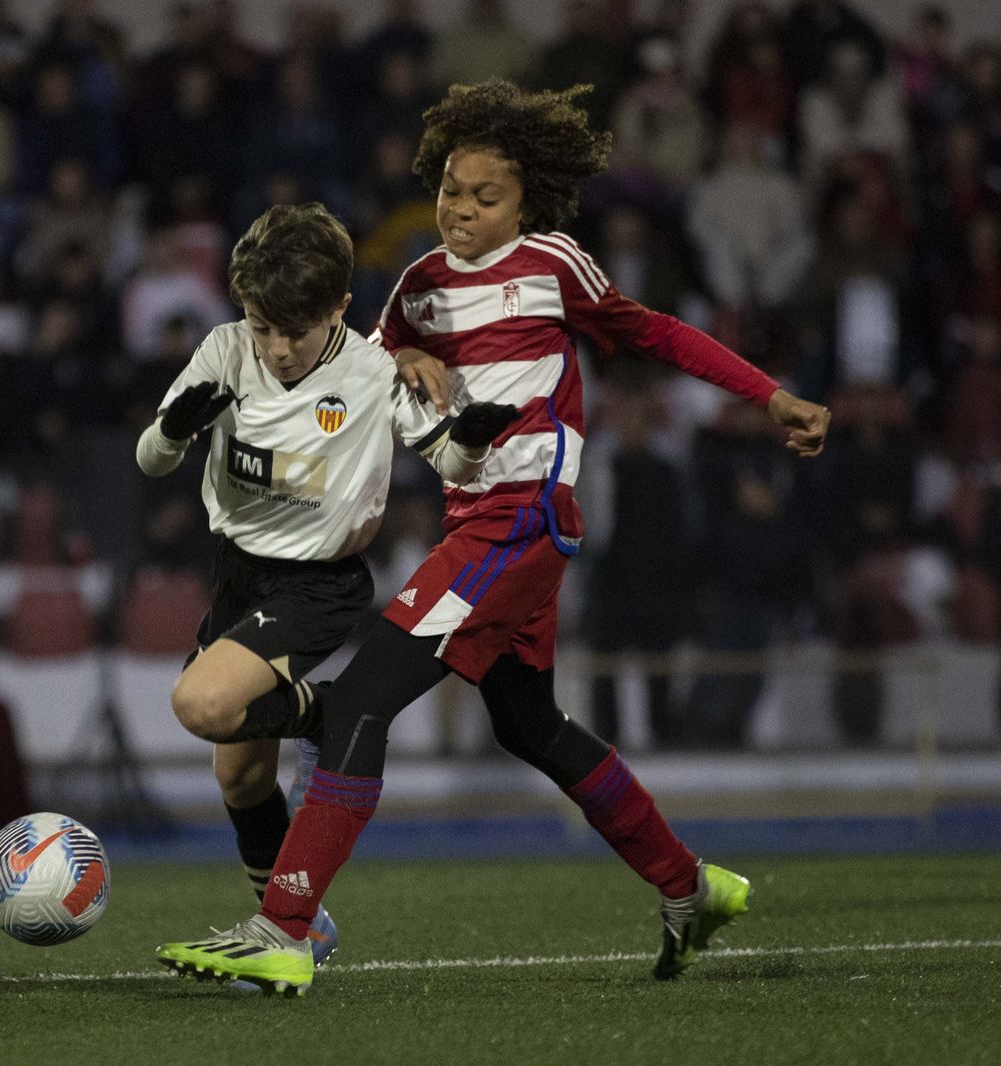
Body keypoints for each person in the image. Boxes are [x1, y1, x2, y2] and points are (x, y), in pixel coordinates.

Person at [156, 80, 831, 996]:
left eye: (487, 196)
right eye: (451, 193)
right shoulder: (419, 288)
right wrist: (406, 353)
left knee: (359, 705)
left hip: (523, 522)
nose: (463, 211)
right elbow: (358, 366)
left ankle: (284, 925)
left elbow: (655, 333)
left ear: (526, 202)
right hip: (472, 524)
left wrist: (768, 394)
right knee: (529, 723)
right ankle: (690, 885)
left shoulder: (555, 264)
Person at [137, 202, 517, 982]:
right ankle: (297, 924)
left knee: (200, 706)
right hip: (239, 574)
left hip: (319, 585)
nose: (275, 349)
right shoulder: (225, 348)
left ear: (340, 308)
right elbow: (151, 459)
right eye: (262, 327)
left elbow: (451, 467)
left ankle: (328, 711)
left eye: (295, 332)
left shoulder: (374, 372)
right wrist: (175, 429)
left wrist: (473, 437)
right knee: (238, 773)